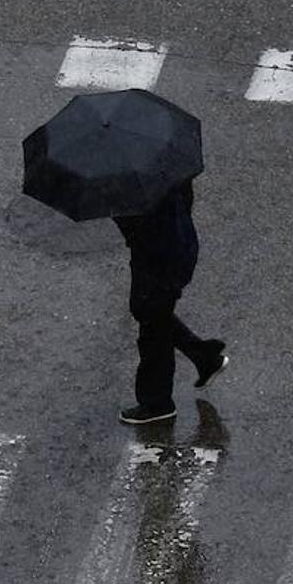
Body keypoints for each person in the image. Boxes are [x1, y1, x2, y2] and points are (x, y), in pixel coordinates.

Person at [112, 179, 228, 424]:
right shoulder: (164, 168)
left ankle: (157, 403)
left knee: (151, 321)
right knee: (151, 312)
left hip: (159, 258)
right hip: (175, 250)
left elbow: (138, 226)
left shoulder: (138, 190)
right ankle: (204, 357)